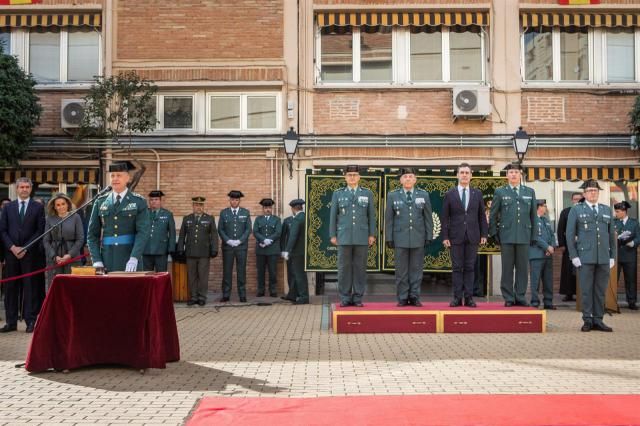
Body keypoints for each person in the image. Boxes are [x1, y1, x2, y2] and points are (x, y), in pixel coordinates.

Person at [566, 179, 616, 332]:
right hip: (585, 257)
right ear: (584, 194)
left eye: (595, 191)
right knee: (586, 290)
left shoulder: (606, 210)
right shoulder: (576, 210)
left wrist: (612, 255)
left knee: (600, 290)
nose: (592, 193)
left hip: (603, 257)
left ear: (598, 193)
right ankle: (587, 320)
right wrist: (574, 256)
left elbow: (610, 235)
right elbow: (570, 234)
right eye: (589, 191)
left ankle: (598, 320)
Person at [87, 161, 151, 272]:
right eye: (112, 176)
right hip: (106, 260)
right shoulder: (100, 201)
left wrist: (134, 257)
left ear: (127, 178)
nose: (115, 179)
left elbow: (143, 232)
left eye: (119, 175)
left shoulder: (138, 202)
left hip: (130, 258)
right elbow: (92, 235)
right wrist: (96, 260)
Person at [0, 177, 45, 333]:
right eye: (21, 187)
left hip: (29, 254)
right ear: (17, 189)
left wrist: (25, 247)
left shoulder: (38, 207)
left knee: (30, 288)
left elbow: (40, 231)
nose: (24, 189)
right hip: (11, 254)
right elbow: (3, 230)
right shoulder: (8, 207)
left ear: (31, 189)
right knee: (10, 288)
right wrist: (12, 247)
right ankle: (11, 322)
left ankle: (30, 321)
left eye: (27, 187)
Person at [489, 162, 537, 307]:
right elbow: (493, 214)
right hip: (507, 235)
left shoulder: (529, 192)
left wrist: (534, 235)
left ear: (520, 174)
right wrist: (493, 232)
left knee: (522, 268)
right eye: (511, 172)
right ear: (507, 175)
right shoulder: (500, 192)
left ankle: (520, 296)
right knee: (507, 268)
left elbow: (533, 216)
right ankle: (509, 297)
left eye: (516, 172)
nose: (514, 174)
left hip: (524, 235)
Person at [441, 163, 488, 308]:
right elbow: (445, 217)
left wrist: (484, 234)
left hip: (473, 236)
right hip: (455, 236)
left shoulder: (477, 194)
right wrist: (445, 236)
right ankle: (457, 298)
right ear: (457, 175)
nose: (464, 175)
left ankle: (469, 298)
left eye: (467, 172)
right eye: (462, 172)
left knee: (469, 267)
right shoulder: (450, 194)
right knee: (457, 267)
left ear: (471, 175)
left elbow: (481, 216)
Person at [385, 168, 433, 307]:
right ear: (400, 180)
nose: (407, 179)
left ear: (415, 179)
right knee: (401, 271)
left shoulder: (423, 195)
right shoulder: (393, 196)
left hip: (418, 238)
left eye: (410, 176)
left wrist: (429, 235)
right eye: (405, 176)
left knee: (416, 270)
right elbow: (389, 219)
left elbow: (428, 218)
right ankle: (402, 297)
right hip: (400, 238)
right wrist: (389, 237)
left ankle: (414, 296)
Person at [329, 165, 376, 308]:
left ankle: (357, 297)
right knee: (344, 268)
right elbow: (333, 216)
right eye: (349, 175)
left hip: (362, 236)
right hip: (343, 236)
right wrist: (333, 234)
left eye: (355, 175)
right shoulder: (338, 194)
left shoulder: (367, 193)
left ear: (359, 177)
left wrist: (372, 234)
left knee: (360, 268)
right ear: (345, 177)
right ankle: (344, 297)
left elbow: (371, 216)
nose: (352, 177)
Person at [177, 196, 218, 306]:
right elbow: (182, 235)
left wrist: (214, 249)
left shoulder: (209, 219)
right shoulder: (187, 218)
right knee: (192, 276)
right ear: (193, 206)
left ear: (203, 206)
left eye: (200, 205)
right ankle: (193, 297)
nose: (198, 207)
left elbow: (214, 235)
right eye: (196, 205)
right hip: (190, 252)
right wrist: (180, 248)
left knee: (203, 276)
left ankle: (202, 297)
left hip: (204, 253)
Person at [43, 193, 84, 292]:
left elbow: (80, 239)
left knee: (72, 288)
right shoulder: (49, 219)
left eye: (63, 204)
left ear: (67, 204)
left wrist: (69, 255)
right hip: (54, 259)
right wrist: (54, 256)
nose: (61, 207)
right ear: (54, 207)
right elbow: (46, 240)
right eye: (58, 205)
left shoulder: (76, 217)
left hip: (72, 258)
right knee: (54, 288)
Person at [218, 190, 251, 302]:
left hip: (241, 247)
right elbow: (220, 229)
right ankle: (226, 294)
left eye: (236, 200)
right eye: (232, 199)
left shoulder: (245, 212)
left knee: (241, 271)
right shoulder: (224, 213)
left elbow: (248, 229)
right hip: (228, 247)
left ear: (239, 201)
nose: (234, 202)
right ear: (230, 200)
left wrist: (240, 241)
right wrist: (228, 240)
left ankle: (242, 294)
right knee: (227, 271)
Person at [528, 199, 557, 309]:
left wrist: (552, 247)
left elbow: (552, 235)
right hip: (536, 255)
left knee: (548, 280)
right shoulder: (532, 220)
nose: (546, 208)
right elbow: (535, 237)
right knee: (535, 280)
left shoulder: (546, 220)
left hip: (547, 255)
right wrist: (547, 247)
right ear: (538, 207)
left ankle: (548, 302)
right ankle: (535, 302)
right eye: (544, 206)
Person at [613, 201, 639, 310]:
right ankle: (613, 301)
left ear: (624, 211)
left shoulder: (634, 222)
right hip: (616, 255)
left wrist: (633, 243)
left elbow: (638, 236)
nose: (616, 214)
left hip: (629, 254)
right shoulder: (614, 222)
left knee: (631, 279)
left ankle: (631, 301)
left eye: (618, 212)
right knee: (614, 279)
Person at [253, 198, 282, 297]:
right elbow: (255, 231)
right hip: (261, 250)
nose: (268, 209)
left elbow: (278, 232)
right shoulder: (258, 219)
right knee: (260, 271)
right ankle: (261, 290)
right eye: (266, 207)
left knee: (273, 271)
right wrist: (263, 240)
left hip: (272, 250)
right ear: (263, 208)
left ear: (271, 208)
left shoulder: (277, 219)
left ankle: (273, 290)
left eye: (269, 207)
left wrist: (269, 240)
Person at [282, 199, 309, 304]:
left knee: (299, 275)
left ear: (293, 209)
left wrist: (287, 250)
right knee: (300, 274)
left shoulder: (297, 219)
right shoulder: (306, 217)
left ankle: (303, 297)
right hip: (304, 251)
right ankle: (293, 295)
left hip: (297, 252)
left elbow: (292, 237)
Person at [558, 192, 583, 302]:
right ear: (572, 200)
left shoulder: (585, 211)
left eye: (579, 199)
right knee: (568, 270)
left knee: (581, 270)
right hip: (569, 246)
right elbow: (560, 229)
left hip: (583, 247)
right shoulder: (566, 212)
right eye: (575, 199)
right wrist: (562, 244)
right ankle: (568, 294)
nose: (577, 201)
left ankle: (581, 294)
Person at [143, 190, 176, 272]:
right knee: (146, 276)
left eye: (156, 199)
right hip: (146, 249)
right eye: (151, 200)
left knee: (161, 275)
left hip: (161, 250)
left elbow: (172, 233)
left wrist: (171, 249)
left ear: (161, 201)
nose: (153, 202)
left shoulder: (167, 214)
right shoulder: (144, 214)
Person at [280, 212, 296, 302]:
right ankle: (291, 293)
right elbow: (283, 237)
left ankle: (298, 293)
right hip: (289, 251)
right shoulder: (287, 221)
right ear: (292, 209)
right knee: (290, 272)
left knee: (298, 273)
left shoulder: (303, 219)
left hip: (298, 251)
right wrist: (283, 250)